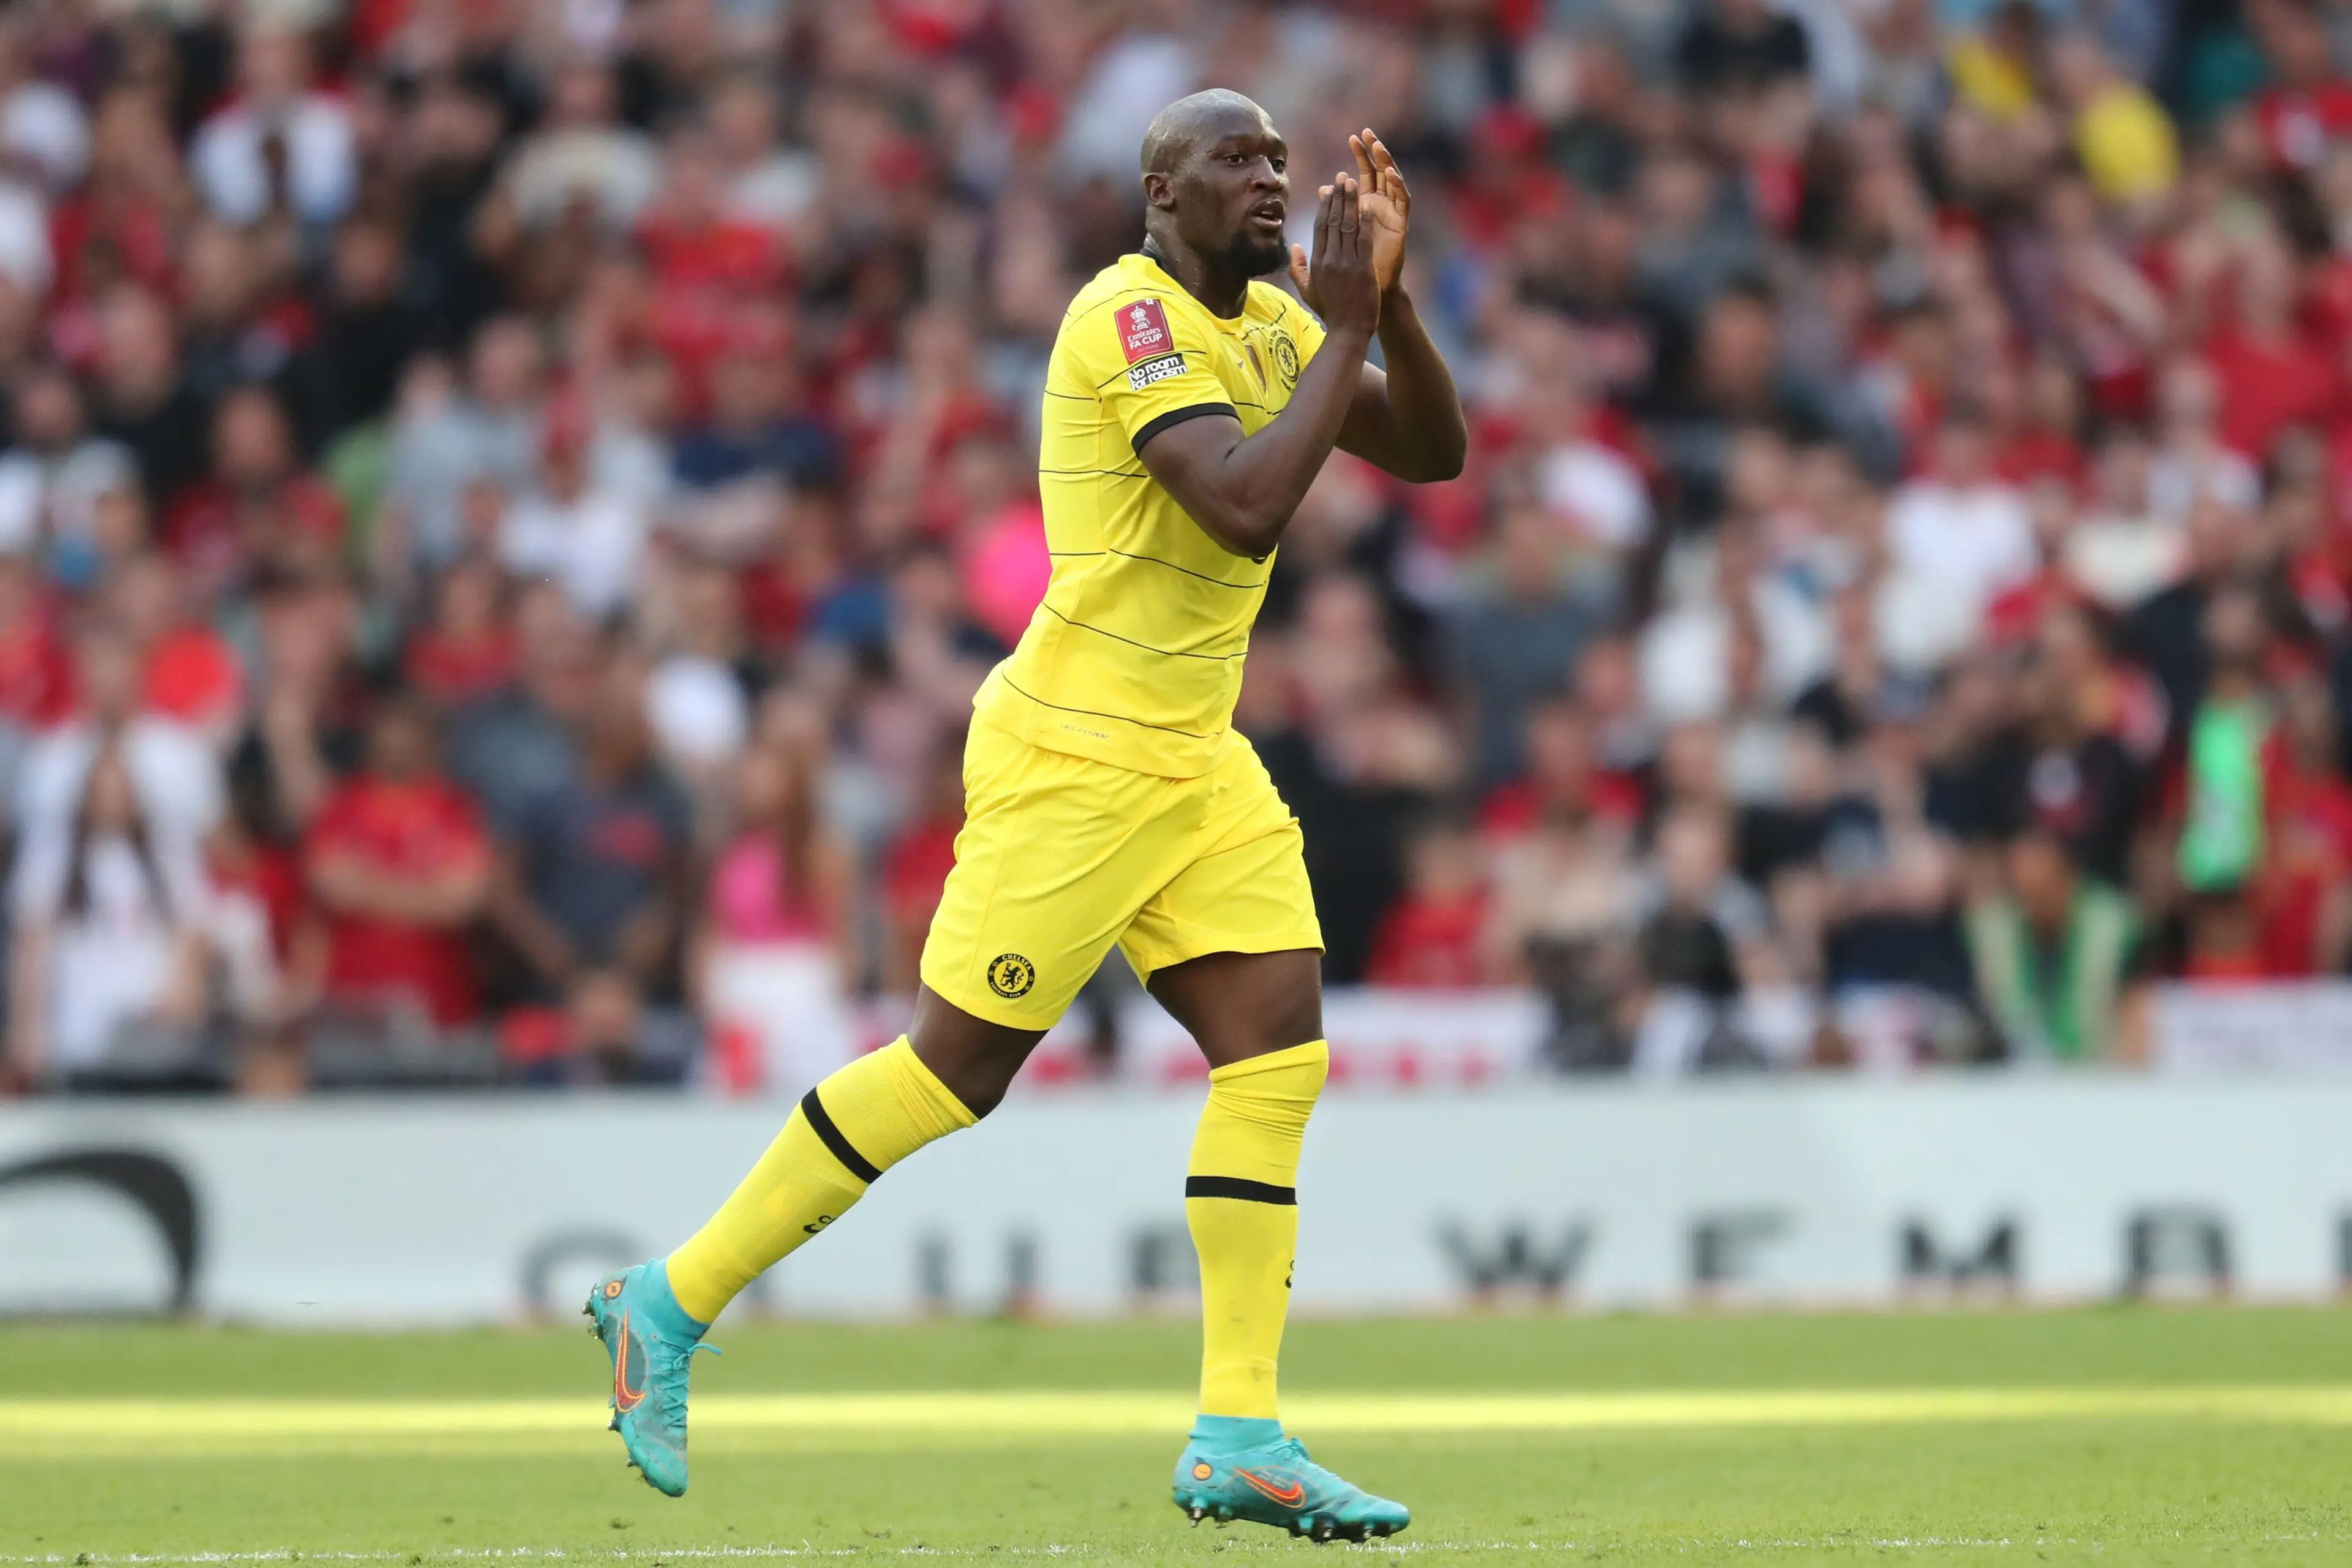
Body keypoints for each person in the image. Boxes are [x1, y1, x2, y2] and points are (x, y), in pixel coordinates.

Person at [587, 94, 1463, 1542]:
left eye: (1276, 162)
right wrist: (1350, 325)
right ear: (1159, 190)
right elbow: (1241, 509)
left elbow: (1432, 456)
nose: (1270, 181)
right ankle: (663, 1304)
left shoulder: (1273, 326)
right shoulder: (1125, 321)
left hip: (1195, 756)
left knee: (1278, 1053)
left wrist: (1391, 305)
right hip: (1078, 754)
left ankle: (1239, 1428)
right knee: (955, 1075)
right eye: (1235, 161)